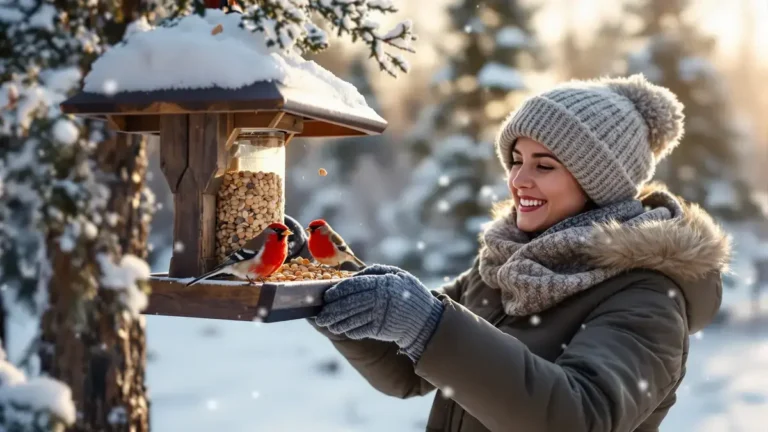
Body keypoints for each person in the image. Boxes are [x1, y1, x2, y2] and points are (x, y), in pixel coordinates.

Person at [309, 74, 731, 432]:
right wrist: (329, 281)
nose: (518, 180)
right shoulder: (505, 264)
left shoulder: (648, 299)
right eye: (516, 160)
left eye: (543, 166)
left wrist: (428, 324)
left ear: (599, 184)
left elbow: (580, 416)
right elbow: (405, 371)